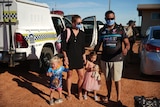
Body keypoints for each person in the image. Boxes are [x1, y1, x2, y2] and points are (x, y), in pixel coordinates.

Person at [94, 10, 130, 103]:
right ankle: (108, 95)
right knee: (108, 79)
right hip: (105, 59)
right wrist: (94, 53)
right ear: (105, 19)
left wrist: (126, 49)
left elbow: (127, 43)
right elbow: (98, 44)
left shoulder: (120, 29)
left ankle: (118, 99)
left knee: (117, 80)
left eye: (112, 18)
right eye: (108, 19)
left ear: (114, 18)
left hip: (117, 59)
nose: (110, 20)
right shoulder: (102, 31)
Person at [61, 15, 86, 100]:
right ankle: (69, 93)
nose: (80, 24)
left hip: (79, 58)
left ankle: (79, 92)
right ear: (73, 23)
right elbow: (63, 47)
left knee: (81, 76)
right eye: (78, 23)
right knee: (69, 76)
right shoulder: (66, 32)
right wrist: (65, 58)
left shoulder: (82, 34)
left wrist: (84, 57)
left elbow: (82, 47)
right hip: (69, 58)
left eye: (81, 23)